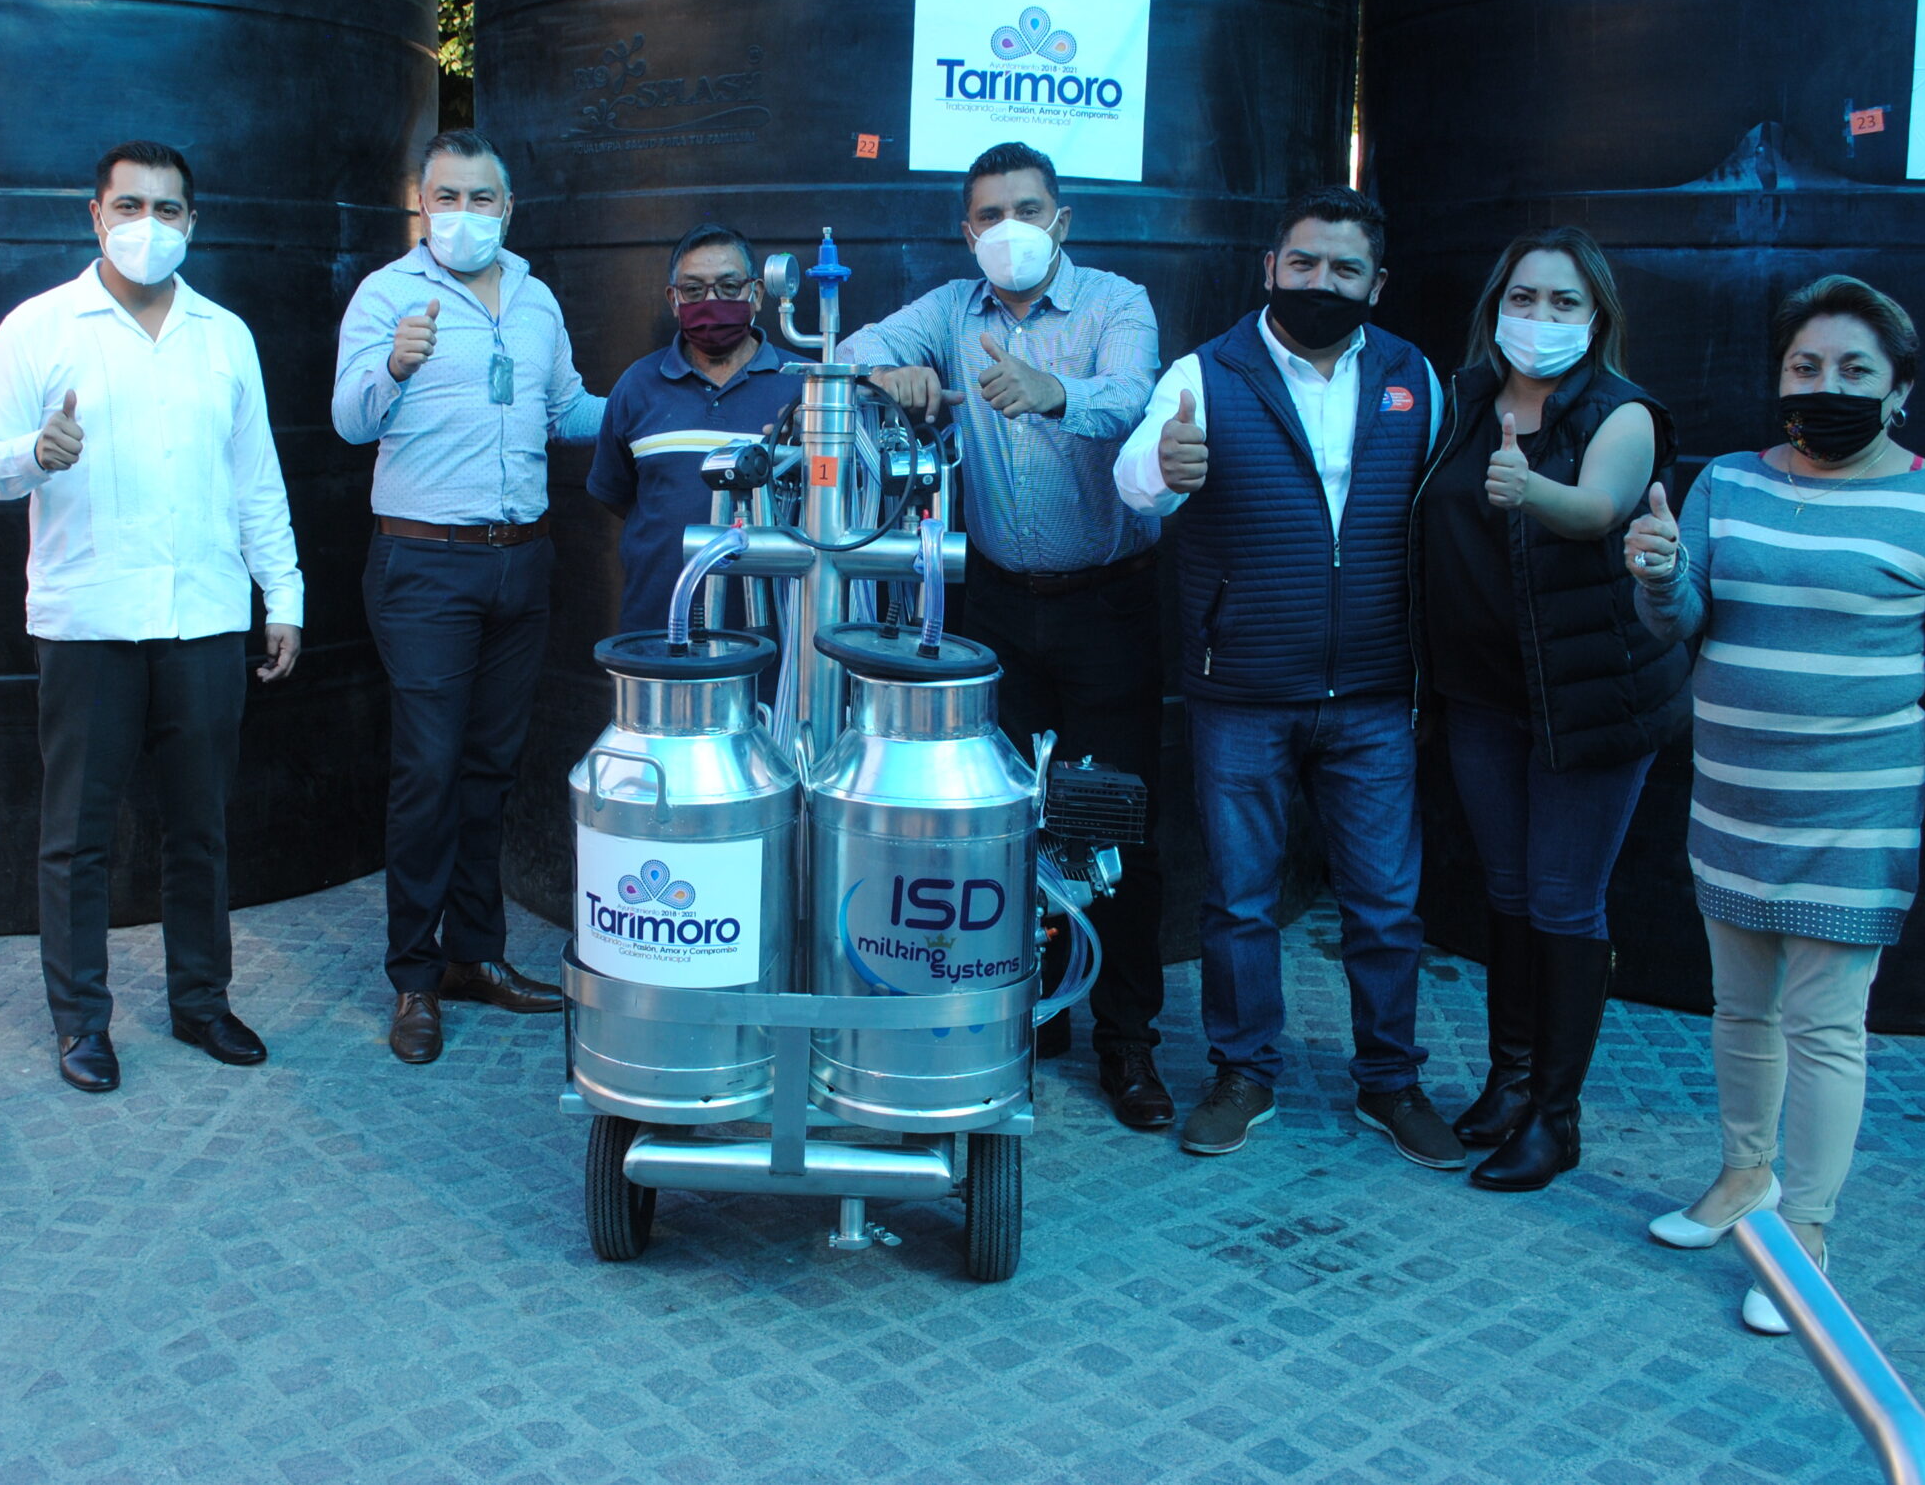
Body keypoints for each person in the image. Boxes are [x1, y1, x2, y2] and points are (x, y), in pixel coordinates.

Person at [1625, 275, 1925, 1334]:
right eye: (1805, 366)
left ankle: (1807, 1235)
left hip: (1857, 815)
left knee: (1826, 1026)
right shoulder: (1727, 482)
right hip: (1735, 802)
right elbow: (1681, 620)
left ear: (1899, 390)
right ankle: (1744, 1177)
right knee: (1740, 1009)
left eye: (1853, 369)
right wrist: (1656, 575)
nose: (1824, 385)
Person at [1113, 186, 1465, 1171]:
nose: (1321, 282)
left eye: (1345, 269)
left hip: (1373, 694)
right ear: (1269, 267)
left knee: (1386, 904)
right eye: (1303, 263)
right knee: (1239, 900)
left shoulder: (1413, 377)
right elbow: (1136, 480)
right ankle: (1242, 1074)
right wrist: (1165, 467)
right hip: (1243, 691)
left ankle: (1390, 1082)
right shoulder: (1204, 372)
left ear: (1376, 284)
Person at [837, 141, 1169, 1129]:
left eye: (1027, 210)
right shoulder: (952, 310)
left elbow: (1134, 396)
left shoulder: (1115, 303)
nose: (1008, 229)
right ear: (966, 229)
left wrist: (1053, 391)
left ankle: (1128, 1042)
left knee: (1112, 820)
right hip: (996, 608)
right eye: (989, 214)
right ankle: (1031, 1015)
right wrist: (896, 375)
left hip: (1108, 600)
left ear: (1062, 220)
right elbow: (845, 353)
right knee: (1004, 818)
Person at [0, 142, 304, 1094]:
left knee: (201, 825)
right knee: (78, 835)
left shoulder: (223, 336)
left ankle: (201, 1001)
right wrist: (34, 453)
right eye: (129, 206)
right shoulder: (39, 328)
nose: (147, 225)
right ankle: (81, 1021)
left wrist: (282, 597)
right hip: (89, 621)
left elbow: (257, 478)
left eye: (167, 208)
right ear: (95, 215)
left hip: (203, 617)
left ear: (193, 221)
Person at [1416, 227, 1688, 1192]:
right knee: (1508, 890)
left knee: (1566, 900)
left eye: (1564, 301)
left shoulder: (1622, 413)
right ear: (1496, 309)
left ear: (1598, 317)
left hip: (1588, 699)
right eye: (1523, 298)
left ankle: (1556, 1120)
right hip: (1483, 695)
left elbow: (1599, 510)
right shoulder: (1460, 401)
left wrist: (1532, 488)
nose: (1540, 317)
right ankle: (1511, 1080)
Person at [332, 129, 605, 1064]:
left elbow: (568, 412)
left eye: (479, 198)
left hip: (520, 561)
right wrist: (394, 366)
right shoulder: (387, 296)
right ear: (421, 205)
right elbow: (348, 420)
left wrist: (664, 401)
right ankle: (415, 977)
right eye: (445, 197)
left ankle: (475, 958)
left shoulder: (534, 299)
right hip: (425, 566)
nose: (462, 214)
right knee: (429, 771)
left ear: (507, 207)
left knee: (489, 771)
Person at [589, 224, 801, 633]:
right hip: (658, 633)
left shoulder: (802, 386)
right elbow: (621, 497)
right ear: (674, 299)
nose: (712, 302)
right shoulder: (637, 385)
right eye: (693, 290)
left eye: (729, 287)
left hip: (771, 640)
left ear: (757, 293)